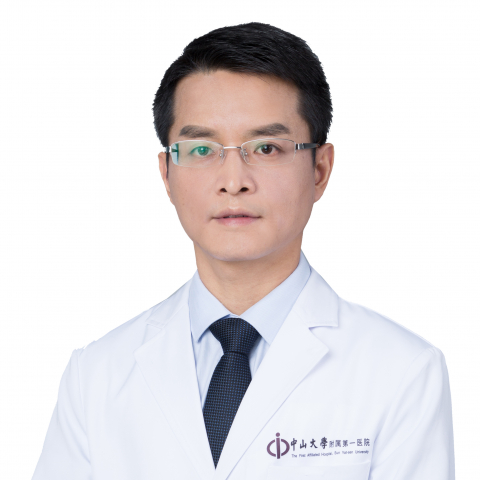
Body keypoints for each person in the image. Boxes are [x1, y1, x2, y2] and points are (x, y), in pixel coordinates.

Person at [32, 22, 455, 480]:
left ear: (319, 169)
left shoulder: (401, 372)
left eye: (266, 148)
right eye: (201, 149)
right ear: (166, 174)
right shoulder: (96, 376)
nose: (233, 181)